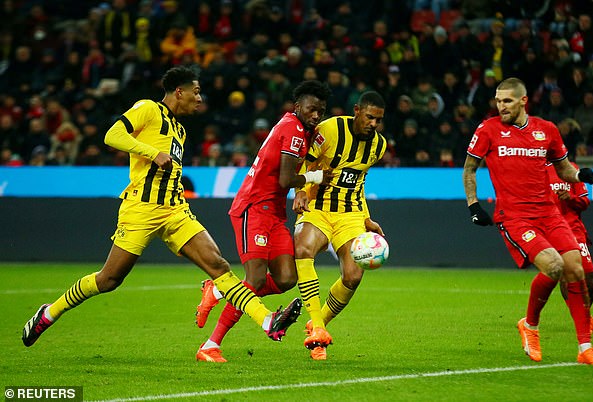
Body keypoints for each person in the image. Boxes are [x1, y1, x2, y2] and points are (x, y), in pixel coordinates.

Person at [22, 66, 302, 349]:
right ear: (178, 92)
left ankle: (268, 321)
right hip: (141, 209)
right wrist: (151, 152)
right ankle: (49, 313)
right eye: (196, 92)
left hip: (175, 211)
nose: (200, 98)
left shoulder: (179, 129)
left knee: (218, 266)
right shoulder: (148, 109)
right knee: (109, 279)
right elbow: (112, 135)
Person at [462, 77, 593, 366]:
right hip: (515, 216)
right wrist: (473, 205)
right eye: (498, 100)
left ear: (522, 101)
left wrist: (580, 177)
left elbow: (564, 168)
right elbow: (469, 169)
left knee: (575, 269)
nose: (500, 106)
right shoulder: (488, 129)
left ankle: (585, 349)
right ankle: (529, 326)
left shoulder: (547, 130)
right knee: (553, 266)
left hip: (549, 213)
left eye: (506, 100)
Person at [194, 80, 333, 363]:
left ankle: (219, 289)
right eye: (311, 109)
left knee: (286, 279)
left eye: (321, 111)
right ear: (298, 107)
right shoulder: (294, 130)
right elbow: (285, 178)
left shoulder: (300, 129)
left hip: (275, 214)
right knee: (255, 278)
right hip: (253, 208)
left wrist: (301, 191)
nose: (316, 115)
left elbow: (291, 172)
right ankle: (210, 345)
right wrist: (316, 178)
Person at [292, 91, 388, 360]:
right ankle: (318, 332)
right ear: (357, 111)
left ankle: (317, 324)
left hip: (351, 215)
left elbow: (358, 182)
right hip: (318, 209)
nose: (373, 124)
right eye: (369, 117)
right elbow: (303, 161)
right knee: (303, 249)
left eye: (378, 120)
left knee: (354, 276)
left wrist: (366, 218)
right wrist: (300, 191)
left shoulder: (378, 146)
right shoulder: (330, 129)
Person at [546, 162, 593, 331]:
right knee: (565, 277)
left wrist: (571, 198)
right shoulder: (540, 170)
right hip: (552, 230)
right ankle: (581, 317)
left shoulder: (572, 169)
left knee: (589, 280)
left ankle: (586, 313)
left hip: (575, 231)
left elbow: (584, 202)